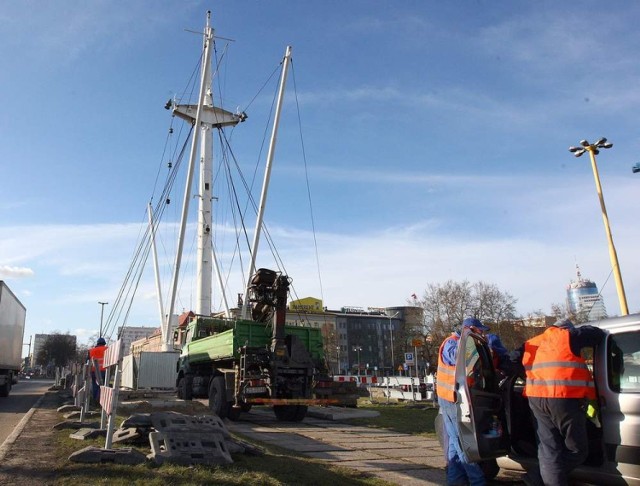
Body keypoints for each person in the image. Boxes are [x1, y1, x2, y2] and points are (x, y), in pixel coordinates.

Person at [513, 318, 605, 486]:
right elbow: (597, 334)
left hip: (536, 400)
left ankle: (538, 477)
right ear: (565, 328)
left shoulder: (530, 343)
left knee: (549, 450)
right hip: (563, 398)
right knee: (577, 450)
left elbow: (510, 361)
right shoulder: (568, 336)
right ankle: (538, 477)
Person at [437, 317, 490, 486]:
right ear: (471, 329)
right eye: (480, 330)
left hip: (455, 398)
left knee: (455, 444)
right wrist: (470, 342)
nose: (482, 334)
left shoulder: (461, 343)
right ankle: (478, 481)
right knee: (462, 444)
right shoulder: (451, 343)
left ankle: (455, 481)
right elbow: (457, 358)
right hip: (451, 399)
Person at [88, 337, 108, 404]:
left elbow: (88, 361)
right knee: (102, 386)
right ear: (104, 343)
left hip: (94, 371)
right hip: (104, 370)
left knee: (94, 385)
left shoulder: (91, 350)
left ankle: (95, 399)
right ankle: (100, 400)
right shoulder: (107, 349)